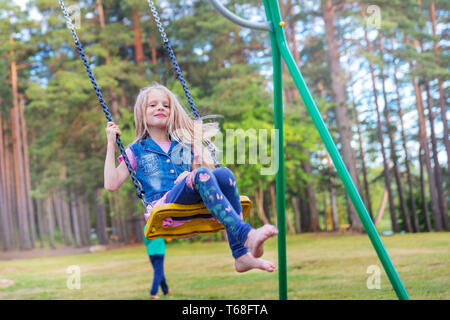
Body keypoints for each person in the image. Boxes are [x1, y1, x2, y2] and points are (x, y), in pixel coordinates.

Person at [104, 83, 278, 273]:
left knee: (224, 174)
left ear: (172, 112)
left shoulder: (185, 144)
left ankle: (241, 256)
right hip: (165, 206)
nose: (160, 107)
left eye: (166, 105)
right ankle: (247, 235)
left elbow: (203, 177)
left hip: (193, 201)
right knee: (202, 175)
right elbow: (111, 184)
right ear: (141, 113)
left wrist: (193, 169)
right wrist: (111, 143)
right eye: (152, 105)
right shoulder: (136, 150)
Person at [143, 231, 171, 299]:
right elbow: (168, 238)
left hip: (151, 253)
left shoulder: (146, 226)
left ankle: (166, 290)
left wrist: (148, 252)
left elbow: (146, 241)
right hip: (159, 251)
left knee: (159, 272)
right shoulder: (161, 225)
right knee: (158, 273)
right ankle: (153, 293)